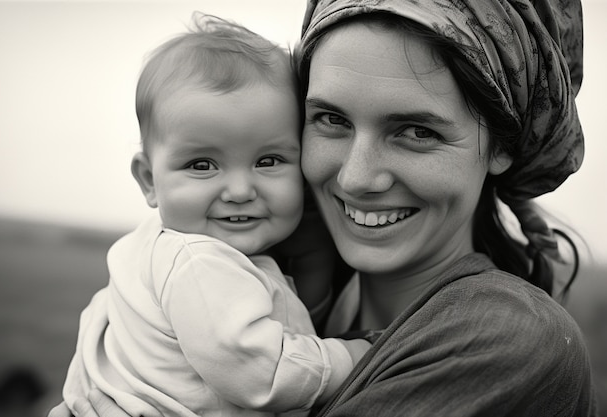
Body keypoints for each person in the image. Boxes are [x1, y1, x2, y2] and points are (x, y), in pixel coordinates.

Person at [49, 0, 599, 416]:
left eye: (416, 130)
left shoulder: (506, 338)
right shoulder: (266, 267)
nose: (357, 178)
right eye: (332, 120)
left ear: (502, 144)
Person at [59, 13, 371, 417]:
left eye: (269, 160)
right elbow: (265, 374)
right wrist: (354, 354)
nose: (240, 191)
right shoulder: (198, 263)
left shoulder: (151, 251)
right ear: (149, 180)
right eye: (202, 165)